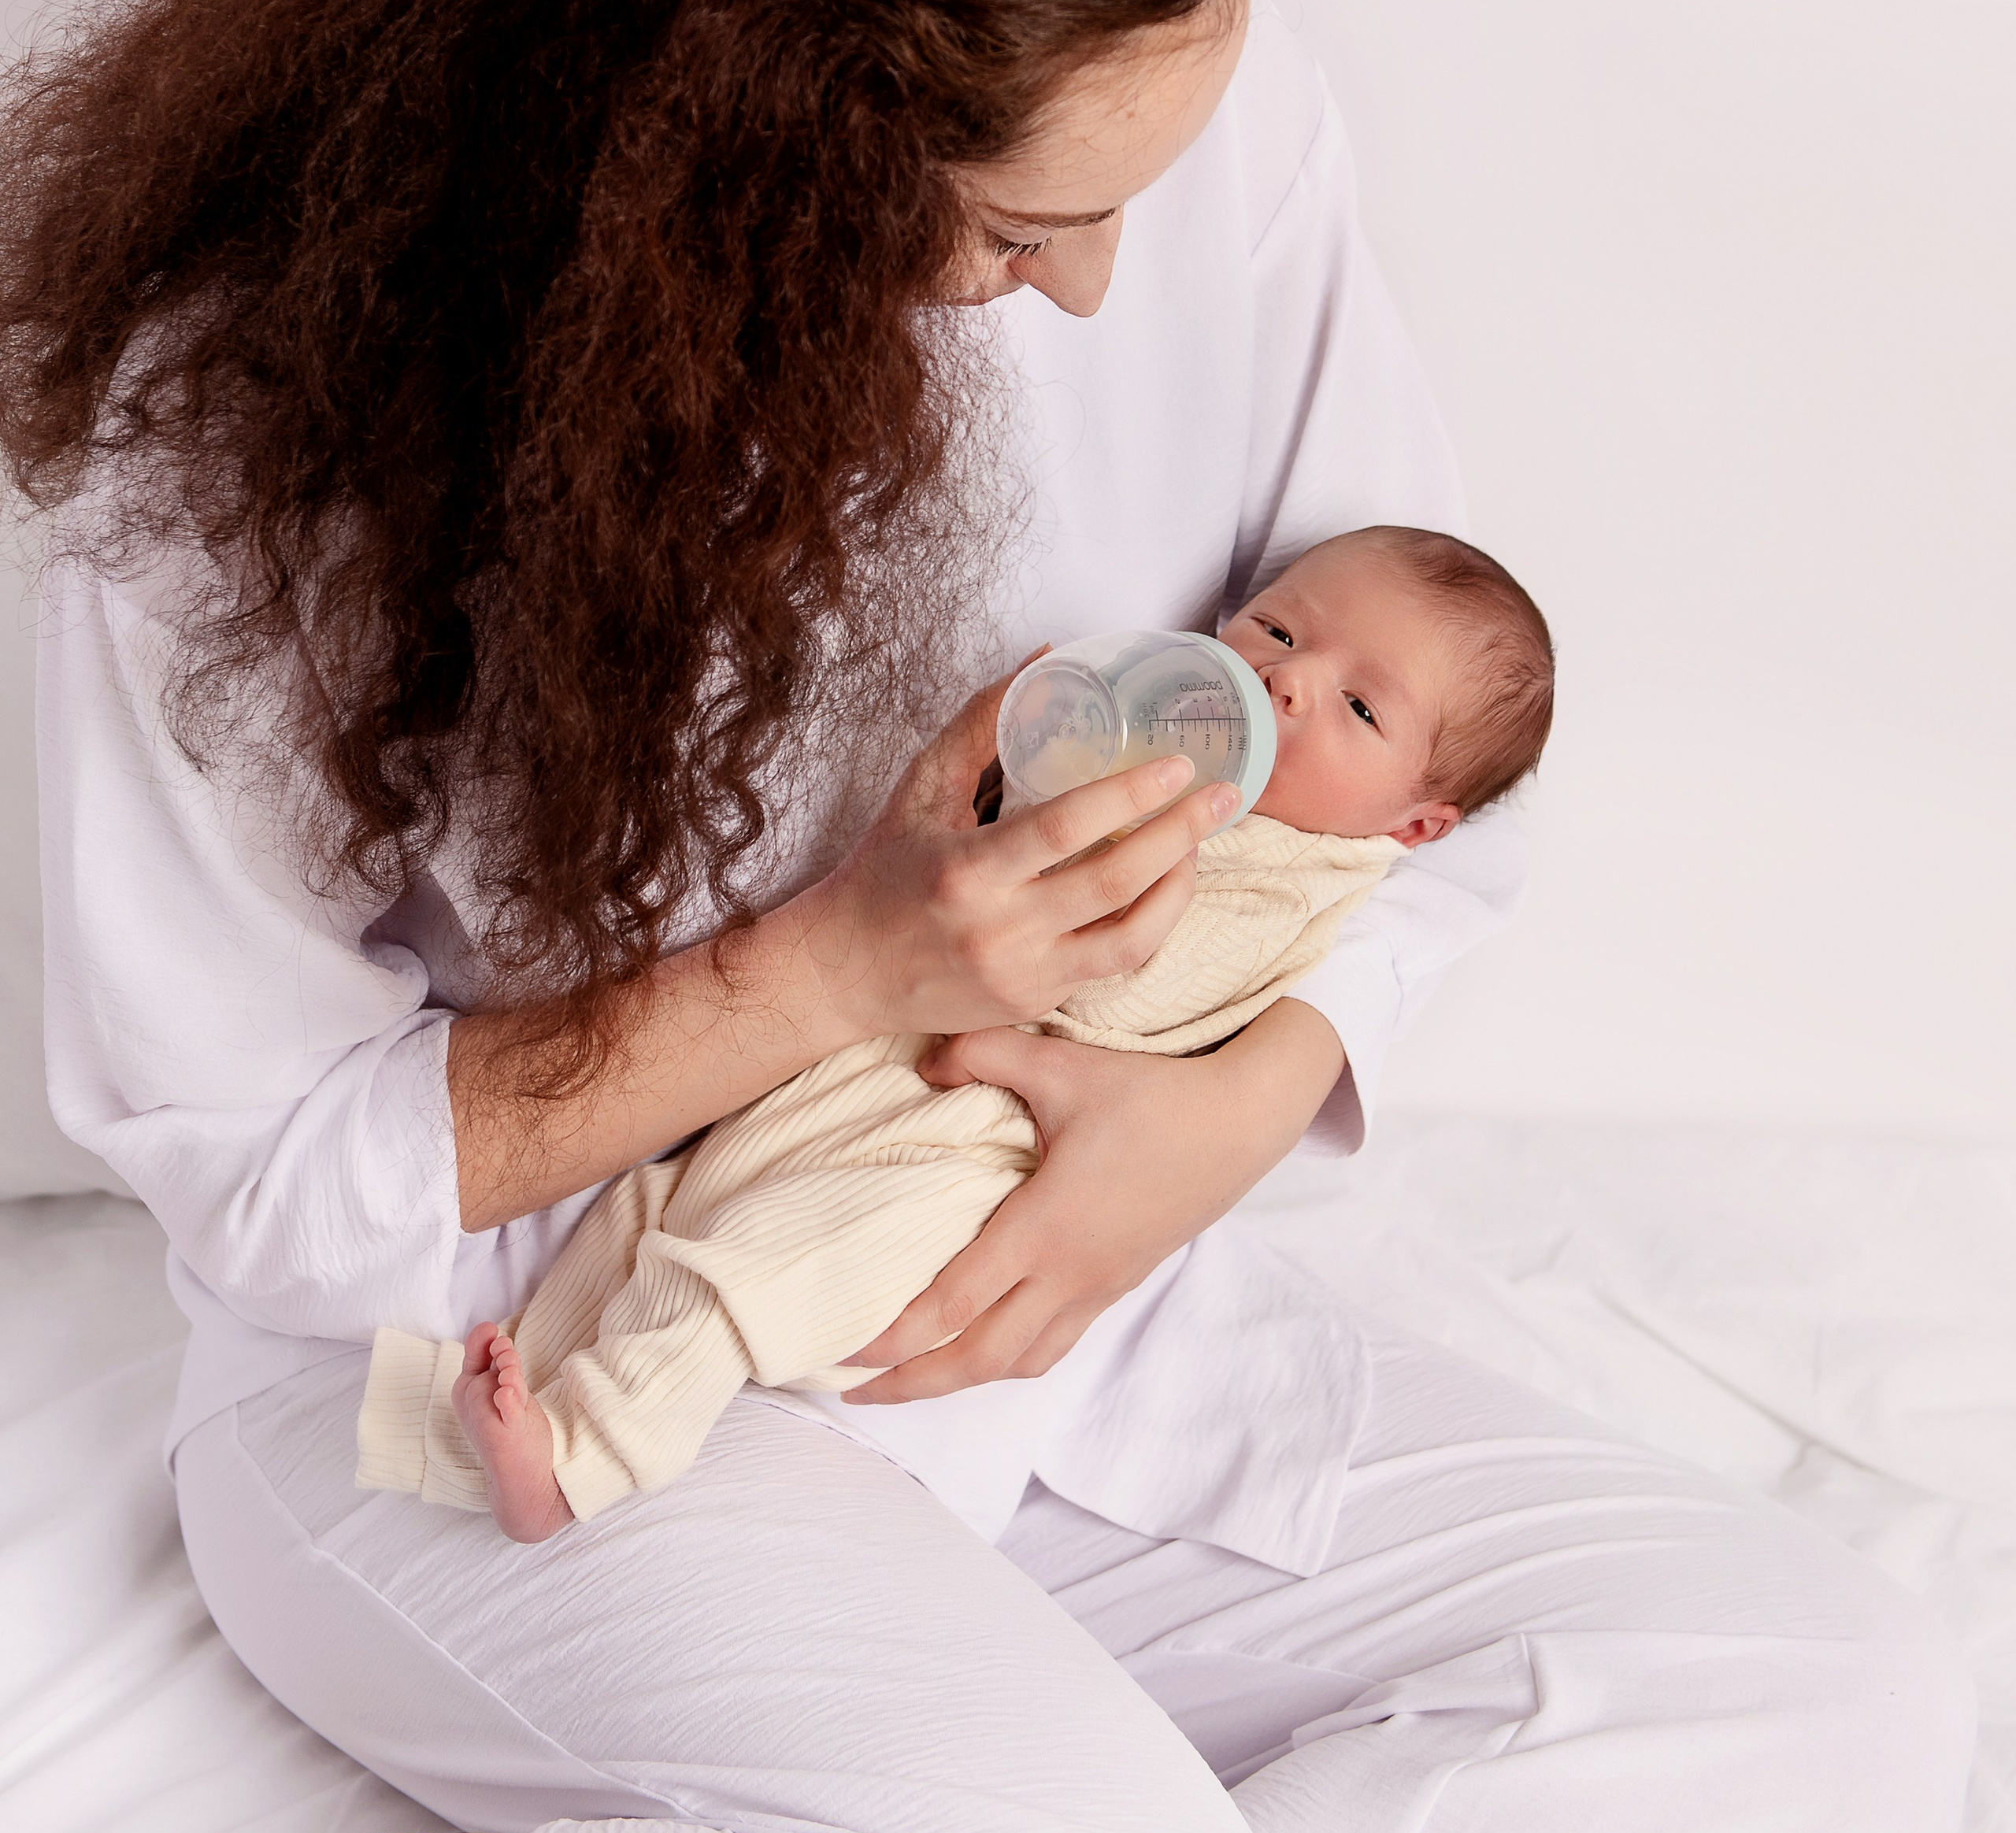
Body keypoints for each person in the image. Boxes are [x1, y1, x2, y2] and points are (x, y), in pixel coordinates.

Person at [0, 0, 1972, 1833]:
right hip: (526, 1371)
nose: (1094, 289)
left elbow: (1440, 740)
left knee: (1829, 1707)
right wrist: (833, 968)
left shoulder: (1177, 127)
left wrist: (1225, 1106)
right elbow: (272, 1176)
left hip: (1072, 1301)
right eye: (1020, 227)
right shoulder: (254, 437)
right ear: (725, 150)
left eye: (1143, 184)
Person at [380, 524, 1556, 1541]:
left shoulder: (1291, 871)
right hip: (876, 1072)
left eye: (1358, 706)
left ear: (1414, 825)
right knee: (653, 1209)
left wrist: (1123, 847)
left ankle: (578, 1473)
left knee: (743, 1271)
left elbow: (1108, 1001)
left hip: (964, 1158)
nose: (1288, 684)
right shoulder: (1180, 769)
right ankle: (468, 1425)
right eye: (1280, 632)